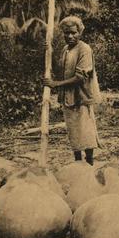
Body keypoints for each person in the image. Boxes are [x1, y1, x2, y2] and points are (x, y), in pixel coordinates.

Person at [42, 16, 100, 166]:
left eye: (73, 33)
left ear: (80, 32)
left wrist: (56, 84)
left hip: (81, 96)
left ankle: (89, 163)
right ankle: (78, 163)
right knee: (73, 132)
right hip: (68, 98)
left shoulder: (84, 49)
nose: (70, 36)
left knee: (85, 132)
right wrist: (49, 51)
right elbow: (61, 69)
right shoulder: (65, 50)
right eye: (66, 33)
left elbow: (80, 77)